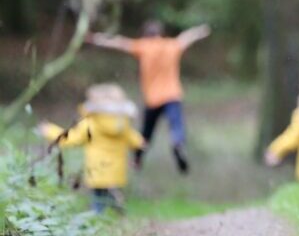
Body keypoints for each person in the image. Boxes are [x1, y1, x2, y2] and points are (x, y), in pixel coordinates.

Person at [85, 20, 210, 173]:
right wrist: (200, 30)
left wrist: (96, 38)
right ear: (160, 34)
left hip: (153, 99)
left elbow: (119, 43)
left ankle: (137, 159)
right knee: (176, 125)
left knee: (146, 132)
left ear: (145, 35)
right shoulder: (171, 45)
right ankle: (178, 144)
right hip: (172, 95)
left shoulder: (143, 46)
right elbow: (186, 37)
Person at [37, 83, 146, 214]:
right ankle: (115, 205)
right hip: (116, 169)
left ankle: (98, 216)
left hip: (97, 169)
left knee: (98, 197)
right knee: (106, 191)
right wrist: (141, 143)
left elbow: (70, 138)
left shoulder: (91, 123)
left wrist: (49, 130)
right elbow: (136, 140)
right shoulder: (122, 124)